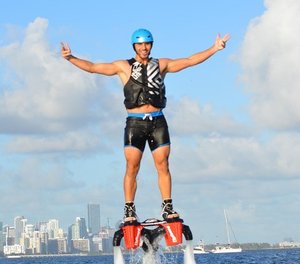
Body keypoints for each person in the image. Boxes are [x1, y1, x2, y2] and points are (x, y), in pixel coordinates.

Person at [61, 29, 230, 223]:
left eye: (147, 44)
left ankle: (167, 207)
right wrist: (70, 58)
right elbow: (92, 67)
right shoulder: (123, 67)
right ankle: (129, 209)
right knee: (132, 166)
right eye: (140, 44)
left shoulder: (161, 65)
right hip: (135, 123)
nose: (144, 48)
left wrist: (215, 48)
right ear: (134, 46)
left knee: (163, 164)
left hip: (158, 121)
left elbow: (190, 61)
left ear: (151, 45)